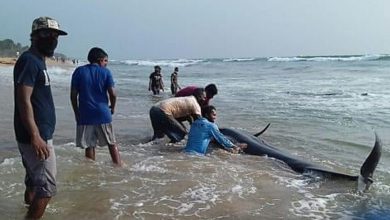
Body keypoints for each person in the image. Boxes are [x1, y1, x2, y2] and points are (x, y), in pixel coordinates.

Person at [13, 16, 67, 219]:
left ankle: (27, 209)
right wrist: (35, 135)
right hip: (36, 136)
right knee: (47, 190)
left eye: (55, 35)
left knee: (35, 183)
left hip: (35, 134)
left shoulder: (38, 60)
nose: (52, 39)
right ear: (34, 36)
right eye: (46, 34)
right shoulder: (29, 60)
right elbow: (23, 100)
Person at [70, 47, 121, 166]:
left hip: (85, 113)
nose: (106, 64)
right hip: (103, 113)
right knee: (111, 143)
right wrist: (112, 107)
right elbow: (113, 94)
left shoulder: (79, 71)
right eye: (105, 61)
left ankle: (91, 169)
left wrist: (76, 112)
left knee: (89, 145)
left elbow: (73, 96)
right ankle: (118, 166)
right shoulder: (106, 72)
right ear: (100, 60)